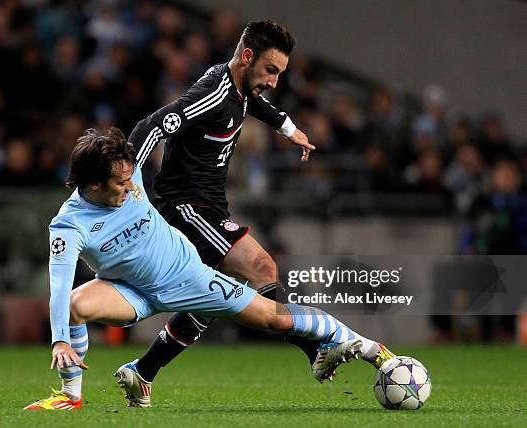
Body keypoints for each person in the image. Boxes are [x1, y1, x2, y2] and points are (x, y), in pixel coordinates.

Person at [24, 128, 394, 410]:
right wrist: (59, 338)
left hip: (189, 277)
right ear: (93, 184)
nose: (129, 187)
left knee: (274, 317)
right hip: (129, 292)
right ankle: (70, 396)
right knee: (74, 305)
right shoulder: (69, 226)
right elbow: (58, 285)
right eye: (120, 184)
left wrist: (280, 124)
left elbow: (165, 120)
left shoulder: (128, 170)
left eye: (129, 179)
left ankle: (368, 347)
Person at [127, 20, 321, 387]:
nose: (275, 82)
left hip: (210, 207)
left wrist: (288, 129)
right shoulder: (213, 92)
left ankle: (143, 371)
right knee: (262, 266)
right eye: (271, 70)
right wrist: (127, 180)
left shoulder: (237, 85)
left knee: (212, 297)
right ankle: (314, 348)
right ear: (247, 57)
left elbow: (255, 102)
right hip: (186, 207)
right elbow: (151, 126)